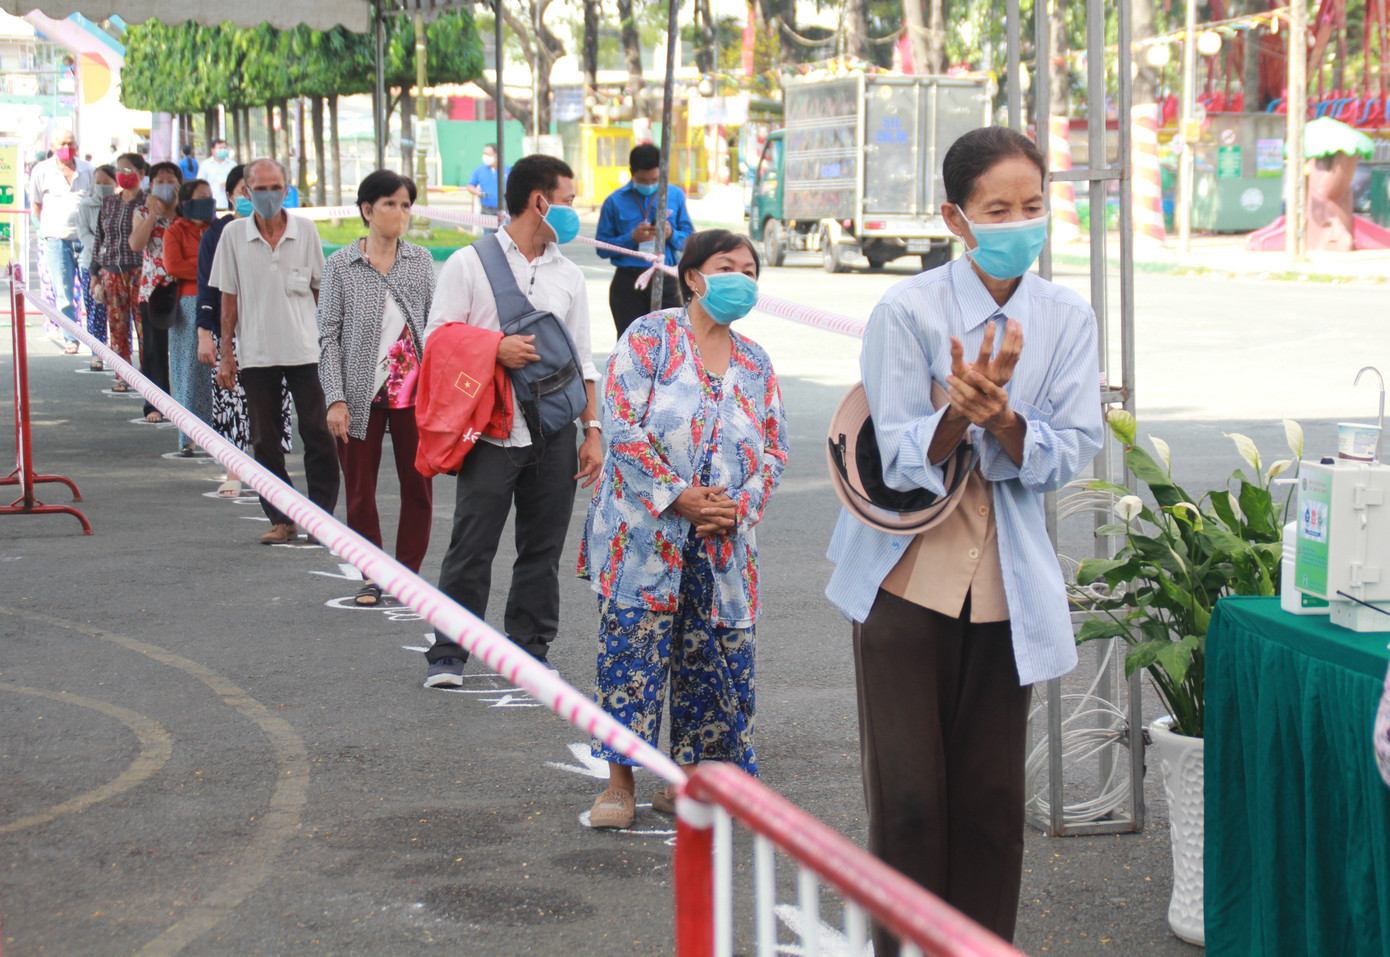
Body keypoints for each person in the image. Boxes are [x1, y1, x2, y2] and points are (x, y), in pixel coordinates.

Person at [823, 126, 1103, 950]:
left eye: (1034, 205)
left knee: (990, 809)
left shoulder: (1066, 317)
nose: (1020, 221)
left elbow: (1072, 448)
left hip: (1008, 591)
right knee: (908, 805)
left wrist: (1007, 419)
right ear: (956, 217)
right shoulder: (907, 311)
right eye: (998, 208)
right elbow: (894, 456)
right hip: (904, 586)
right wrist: (957, 415)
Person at [580, 229, 788, 830]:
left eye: (752, 271)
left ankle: (689, 779)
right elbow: (621, 425)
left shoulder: (755, 361)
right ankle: (619, 786)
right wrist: (678, 498)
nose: (742, 280)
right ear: (693, 276)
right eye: (729, 267)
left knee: (715, 662)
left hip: (724, 544)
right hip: (643, 537)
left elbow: (774, 451)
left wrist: (737, 506)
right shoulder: (650, 338)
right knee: (631, 657)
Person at [422, 153, 601, 686]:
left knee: (542, 548)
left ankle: (529, 650)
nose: (572, 212)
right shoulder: (470, 264)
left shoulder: (569, 275)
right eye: (567, 201)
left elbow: (583, 359)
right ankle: (449, 653)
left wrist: (592, 431)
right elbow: (436, 338)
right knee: (472, 543)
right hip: (492, 431)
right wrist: (493, 348)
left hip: (555, 430)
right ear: (539, 201)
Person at [318, 170, 435, 605]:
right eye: (390, 204)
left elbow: (436, 327)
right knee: (360, 488)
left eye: (406, 205)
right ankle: (372, 574)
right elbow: (328, 336)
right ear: (367, 210)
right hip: (359, 394)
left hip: (412, 393)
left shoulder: (420, 261)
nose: (400, 213)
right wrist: (336, 398)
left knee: (418, 487)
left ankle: (407, 576)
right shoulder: (340, 265)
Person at [212, 158, 338, 544]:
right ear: (246, 192)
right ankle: (281, 517)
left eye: (275, 187)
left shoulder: (305, 230)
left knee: (318, 432)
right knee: (264, 438)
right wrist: (227, 354)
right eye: (260, 188)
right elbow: (228, 300)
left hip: (306, 349)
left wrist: (332, 345)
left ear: (287, 188)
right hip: (256, 352)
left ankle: (321, 517)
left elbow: (321, 290)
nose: (268, 195)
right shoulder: (233, 235)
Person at [196, 166, 295, 498]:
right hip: (233, 333)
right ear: (233, 195)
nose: (258, 197)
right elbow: (209, 287)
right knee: (231, 399)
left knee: (274, 402)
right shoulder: (221, 233)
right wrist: (206, 334)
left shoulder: (290, 230)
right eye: (247, 190)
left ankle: (273, 471)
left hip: (277, 331)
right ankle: (233, 468)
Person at [595, 143, 695, 338]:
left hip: (668, 279)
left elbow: (690, 241)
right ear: (632, 172)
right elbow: (601, 248)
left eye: (655, 179)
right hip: (629, 283)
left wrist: (671, 235)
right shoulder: (614, 201)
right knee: (631, 343)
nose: (649, 184)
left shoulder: (674, 195)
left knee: (674, 342)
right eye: (643, 180)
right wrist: (631, 238)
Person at [162, 178, 216, 454]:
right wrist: (207, 266)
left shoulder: (218, 229)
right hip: (187, 303)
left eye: (210, 196)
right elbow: (173, 265)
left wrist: (198, 265)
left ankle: (216, 432)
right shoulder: (175, 231)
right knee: (187, 369)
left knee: (214, 369)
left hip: (216, 301)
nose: (208, 201)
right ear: (185, 203)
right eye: (201, 197)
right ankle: (188, 435)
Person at [29, 128, 95, 354]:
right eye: (61, 144)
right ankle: (71, 338)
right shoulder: (42, 170)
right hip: (56, 239)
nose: (66, 148)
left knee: (92, 292)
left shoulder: (88, 169)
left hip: (86, 240)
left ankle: (97, 342)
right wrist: (46, 231)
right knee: (64, 292)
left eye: (70, 143)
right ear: (53, 147)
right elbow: (36, 205)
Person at [130, 161, 183, 424]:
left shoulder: (186, 212)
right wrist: (153, 213)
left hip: (185, 288)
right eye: (158, 179)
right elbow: (136, 243)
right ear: (150, 184)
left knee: (186, 348)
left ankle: (187, 403)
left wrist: (173, 209)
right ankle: (155, 404)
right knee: (154, 350)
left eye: (169, 179)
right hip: (152, 290)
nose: (164, 183)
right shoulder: (141, 210)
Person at [91, 151, 147, 392]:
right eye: (119, 170)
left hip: (141, 272)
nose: (122, 175)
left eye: (128, 170)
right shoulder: (109, 203)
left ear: (141, 174)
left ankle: (148, 377)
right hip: (111, 272)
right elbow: (99, 239)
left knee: (144, 327)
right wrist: (95, 273)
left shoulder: (148, 203)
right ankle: (123, 374)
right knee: (118, 326)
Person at [75, 164, 115, 371]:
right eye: (98, 182)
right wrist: (102, 246)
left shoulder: (121, 205)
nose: (101, 186)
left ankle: (119, 356)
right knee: (95, 310)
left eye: (106, 183)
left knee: (118, 312)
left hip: (116, 265)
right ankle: (97, 353)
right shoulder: (86, 205)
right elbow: (83, 233)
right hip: (90, 263)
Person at [465, 143, 509, 228]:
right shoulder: (479, 170)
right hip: (487, 211)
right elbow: (470, 186)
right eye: (484, 153)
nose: (485, 156)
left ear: (496, 155)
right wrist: (477, 192)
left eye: (488, 154)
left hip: (505, 211)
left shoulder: (507, 170)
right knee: (489, 237)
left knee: (505, 237)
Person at [197, 139, 237, 210]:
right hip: (211, 203)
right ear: (213, 150)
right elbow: (200, 183)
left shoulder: (232, 165)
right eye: (220, 148)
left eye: (224, 148)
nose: (223, 150)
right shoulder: (205, 164)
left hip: (229, 204)